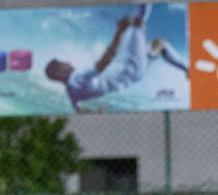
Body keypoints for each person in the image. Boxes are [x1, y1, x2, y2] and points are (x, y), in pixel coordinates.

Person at [45, 4, 186, 113]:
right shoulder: (77, 78)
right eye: (64, 64)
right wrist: (119, 31)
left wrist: (94, 113)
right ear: (59, 73)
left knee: (160, 44)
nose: (68, 63)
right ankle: (187, 69)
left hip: (133, 76)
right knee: (137, 21)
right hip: (128, 65)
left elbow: (78, 110)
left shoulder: (71, 92)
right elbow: (104, 62)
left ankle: (188, 70)